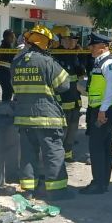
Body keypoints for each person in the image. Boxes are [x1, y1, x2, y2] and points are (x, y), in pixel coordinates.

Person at [11, 25, 73, 200]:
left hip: (24, 117)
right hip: (46, 117)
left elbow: (14, 86)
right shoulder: (47, 62)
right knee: (53, 152)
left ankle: (29, 190)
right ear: (46, 44)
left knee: (28, 153)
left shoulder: (16, 62)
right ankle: (57, 190)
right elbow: (64, 85)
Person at [81, 32, 112, 195]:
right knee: (104, 146)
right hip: (100, 108)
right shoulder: (99, 62)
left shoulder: (109, 63)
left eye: (93, 45)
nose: (90, 48)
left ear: (103, 47)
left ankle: (98, 183)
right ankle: (102, 182)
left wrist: (102, 111)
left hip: (106, 109)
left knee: (96, 146)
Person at [51, 25, 85, 163]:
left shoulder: (73, 54)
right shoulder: (54, 56)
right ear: (60, 40)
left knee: (72, 129)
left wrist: (81, 61)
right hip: (62, 101)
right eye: (68, 39)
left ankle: (68, 153)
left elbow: (80, 74)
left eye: (72, 39)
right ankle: (58, 155)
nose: (72, 42)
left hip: (75, 100)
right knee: (61, 131)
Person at [0, 30, 17, 102]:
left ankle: (5, 106)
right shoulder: (6, 46)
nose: (13, 38)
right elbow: (9, 59)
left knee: (8, 91)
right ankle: (5, 107)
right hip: (4, 72)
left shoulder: (7, 46)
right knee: (8, 91)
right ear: (7, 37)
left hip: (5, 72)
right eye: (12, 37)